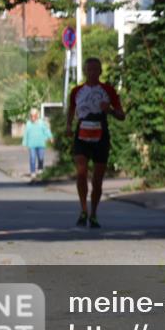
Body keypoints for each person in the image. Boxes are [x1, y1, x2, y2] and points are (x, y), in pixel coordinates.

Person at [65, 57, 125, 229]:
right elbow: (71, 110)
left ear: (100, 72)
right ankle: (83, 210)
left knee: (97, 179)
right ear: (85, 71)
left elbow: (122, 116)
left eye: (95, 70)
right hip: (82, 133)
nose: (92, 73)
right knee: (81, 173)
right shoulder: (76, 91)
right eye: (89, 70)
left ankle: (94, 214)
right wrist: (68, 126)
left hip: (101, 134)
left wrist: (111, 110)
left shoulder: (108, 91)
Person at [21, 108, 52, 180]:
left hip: (41, 144)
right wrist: (24, 144)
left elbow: (46, 130)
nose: (33, 117)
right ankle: (33, 172)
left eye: (34, 115)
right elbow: (26, 134)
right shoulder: (28, 123)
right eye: (31, 115)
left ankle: (40, 169)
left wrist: (50, 137)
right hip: (31, 144)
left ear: (37, 115)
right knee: (32, 158)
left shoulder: (41, 123)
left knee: (41, 157)